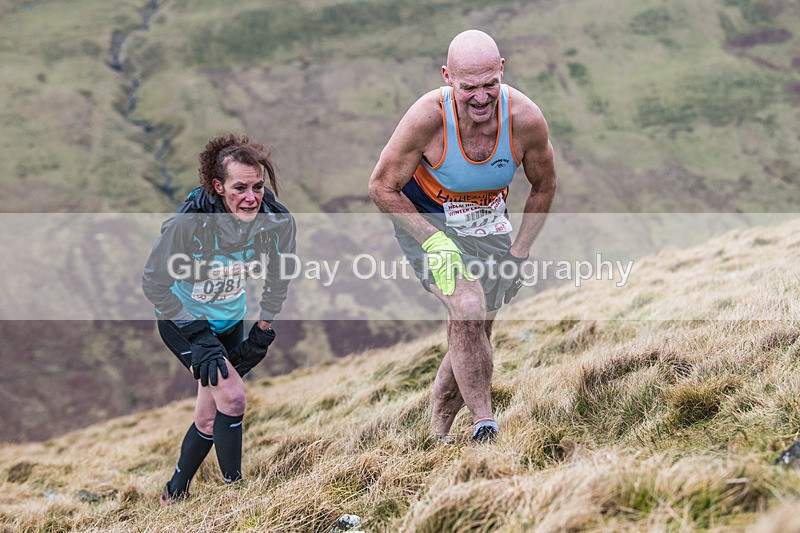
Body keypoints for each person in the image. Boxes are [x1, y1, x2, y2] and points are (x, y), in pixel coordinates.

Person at [368, 30, 557, 443]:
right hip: (428, 220)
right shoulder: (427, 118)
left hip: (488, 223)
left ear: (502, 70)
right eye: (468, 87)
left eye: (490, 83)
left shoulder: (524, 119)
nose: (481, 97)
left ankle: (437, 432)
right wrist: (432, 240)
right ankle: (485, 425)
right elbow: (381, 186)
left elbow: (544, 186)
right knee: (468, 305)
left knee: (475, 327)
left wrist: (520, 253)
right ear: (447, 77)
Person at [142, 134, 296, 502]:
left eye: (258, 186)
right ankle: (236, 493)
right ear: (218, 186)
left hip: (230, 323)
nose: (251, 197)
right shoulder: (188, 224)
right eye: (240, 187)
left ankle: (174, 491)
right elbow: (153, 283)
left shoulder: (276, 221)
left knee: (210, 417)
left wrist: (262, 331)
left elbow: (279, 275)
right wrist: (198, 338)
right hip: (183, 324)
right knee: (233, 397)